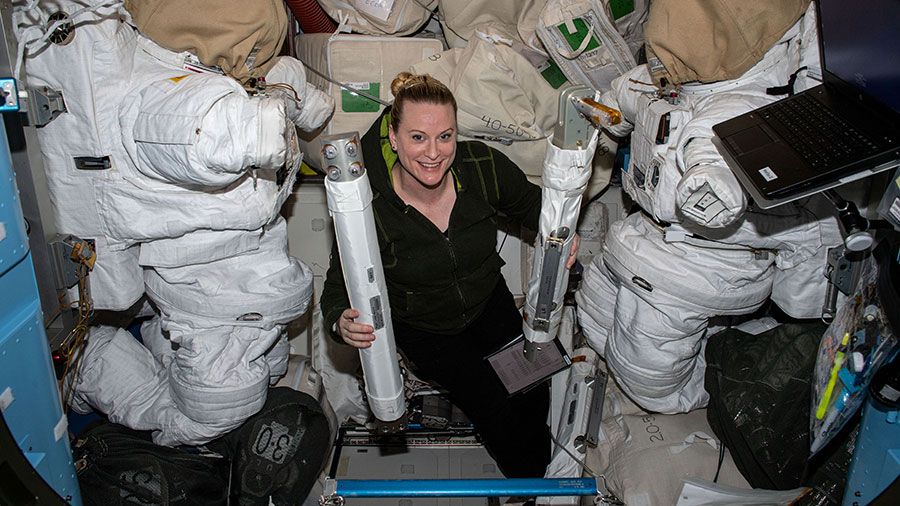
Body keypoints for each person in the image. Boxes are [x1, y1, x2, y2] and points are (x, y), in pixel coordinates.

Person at [321, 72, 577, 479]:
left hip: (489, 303)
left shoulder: (480, 166)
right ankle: (527, 484)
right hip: (427, 329)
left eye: (445, 136)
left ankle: (539, 468)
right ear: (393, 135)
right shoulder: (368, 205)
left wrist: (563, 231)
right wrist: (340, 321)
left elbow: (534, 206)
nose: (433, 153)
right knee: (493, 404)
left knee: (531, 385)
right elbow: (338, 285)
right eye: (418, 137)